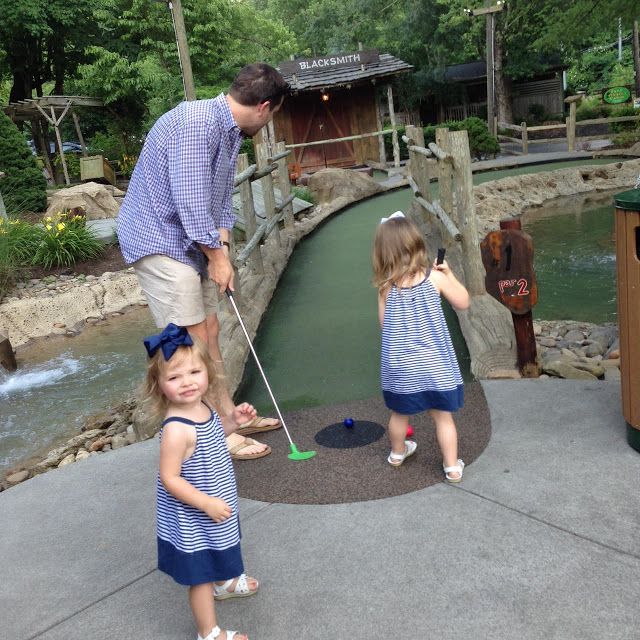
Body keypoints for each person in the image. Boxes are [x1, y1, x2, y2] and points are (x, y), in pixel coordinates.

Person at [118, 62, 290, 460]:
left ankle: (229, 418)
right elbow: (191, 203)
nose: (269, 122)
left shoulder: (228, 132)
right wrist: (214, 255)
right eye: (274, 114)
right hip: (159, 240)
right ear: (264, 107)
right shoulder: (197, 124)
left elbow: (219, 203)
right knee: (189, 345)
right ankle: (213, 436)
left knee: (210, 330)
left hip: (191, 243)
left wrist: (222, 252)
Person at [141, 323, 259, 640]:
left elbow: (214, 435)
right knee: (200, 574)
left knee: (219, 547)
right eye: (174, 377)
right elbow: (169, 478)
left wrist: (233, 421)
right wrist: (205, 503)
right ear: (158, 384)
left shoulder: (202, 406)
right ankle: (208, 632)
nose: (187, 383)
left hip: (213, 500)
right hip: (192, 512)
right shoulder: (176, 428)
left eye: (194, 372)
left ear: (208, 372)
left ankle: (224, 584)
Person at [372, 212, 470, 481]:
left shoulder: (385, 288)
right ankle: (452, 467)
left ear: (383, 254)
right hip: (433, 364)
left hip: (401, 367)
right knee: (443, 418)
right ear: (416, 244)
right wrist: (449, 274)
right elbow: (463, 302)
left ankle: (397, 453)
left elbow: (384, 326)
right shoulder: (434, 278)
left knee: (399, 413)